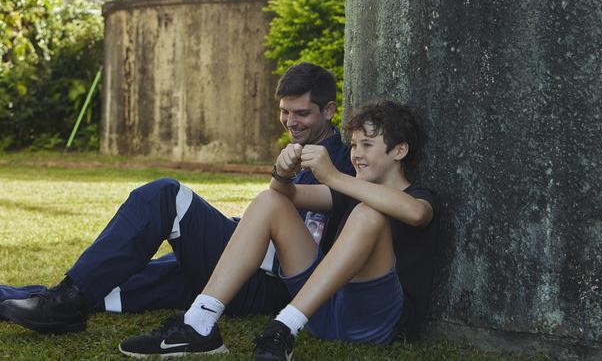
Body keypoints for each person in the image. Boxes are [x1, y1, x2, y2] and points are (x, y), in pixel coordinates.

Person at [0, 62, 355, 333]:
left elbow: (294, 203)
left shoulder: (343, 163)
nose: (290, 122)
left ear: (328, 110)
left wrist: (284, 176)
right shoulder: (302, 148)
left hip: (268, 284)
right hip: (242, 257)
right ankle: (34, 300)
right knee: (111, 283)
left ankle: (61, 303)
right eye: (284, 111)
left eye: (302, 113)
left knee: (166, 194)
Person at [117, 100, 437, 359]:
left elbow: (415, 213)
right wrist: (282, 172)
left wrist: (334, 176)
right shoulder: (348, 190)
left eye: (367, 145)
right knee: (270, 200)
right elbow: (286, 195)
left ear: (399, 151)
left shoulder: (419, 197)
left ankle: (283, 327)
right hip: (323, 310)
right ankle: (200, 323)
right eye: (353, 145)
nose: (355, 154)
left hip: (372, 321)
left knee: (370, 214)